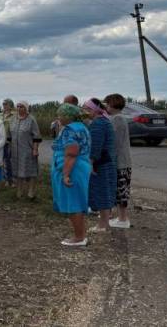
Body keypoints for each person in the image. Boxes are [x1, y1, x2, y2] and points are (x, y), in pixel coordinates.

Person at [51, 103, 92, 246]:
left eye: (60, 114)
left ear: (67, 116)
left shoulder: (70, 130)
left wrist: (65, 174)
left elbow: (71, 153)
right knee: (77, 201)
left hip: (73, 169)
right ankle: (80, 234)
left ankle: (79, 237)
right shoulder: (82, 127)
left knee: (73, 202)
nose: (58, 117)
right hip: (81, 167)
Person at [83, 98, 117, 233]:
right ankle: (105, 223)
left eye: (87, 109)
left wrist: (91, 163)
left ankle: (102, 225)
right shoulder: (104, 121)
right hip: (106, 161)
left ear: (94, 109)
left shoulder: (98, 124)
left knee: (101, 192)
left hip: (101, 163)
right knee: (105, 191)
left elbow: (95, 146)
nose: (85, 111)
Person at [104, 94, 132, 228]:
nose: (106, 106)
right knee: (119, 190)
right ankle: (121, 218)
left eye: (107, 104)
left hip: (121, 161)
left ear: (113, 104)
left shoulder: (117, 119)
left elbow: (114, 142)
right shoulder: (116, 118)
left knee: (121, 190)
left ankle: (123, 219)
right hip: (121, 160)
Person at [11, 101, 42, 200]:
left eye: (22, 106)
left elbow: (36, 136)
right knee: (18, 170)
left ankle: (31, 191)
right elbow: (9, 134)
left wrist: (35, 149)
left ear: (26, 108)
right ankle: (19, 190)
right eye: (18, 106)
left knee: (31, 170)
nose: (19, 108)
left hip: (27, 149)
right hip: (15, 150)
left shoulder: (31, 119)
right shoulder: (13, 119)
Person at [0, 99, 17, 186]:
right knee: (4, 161)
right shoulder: (0, 115)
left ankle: (13, 180)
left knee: (11, 161)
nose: (4, 105)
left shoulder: (14, 115)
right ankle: (6, 179)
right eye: (3, 104)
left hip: (11, 141)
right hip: (2, 141)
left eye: (6, 104)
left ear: (10, 105)